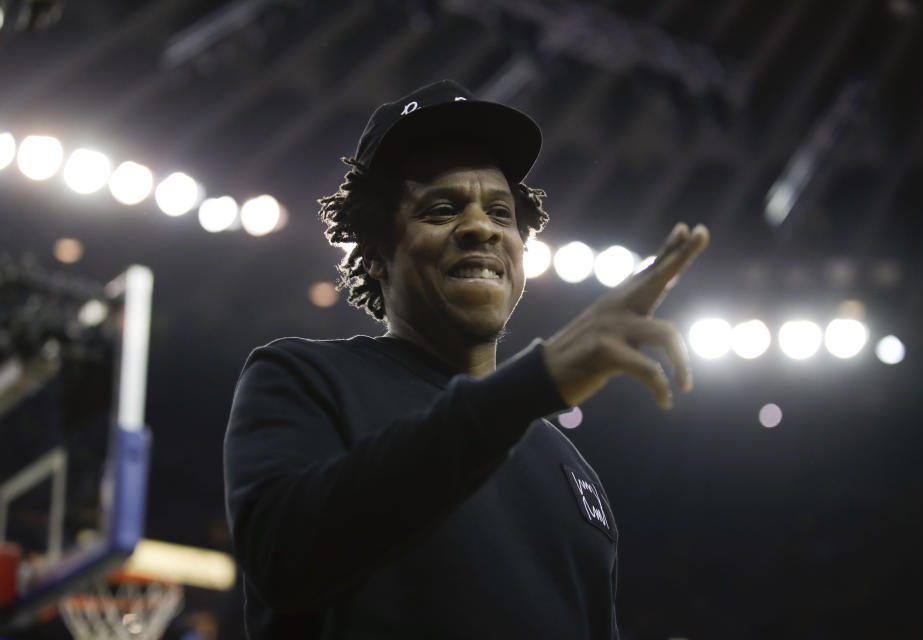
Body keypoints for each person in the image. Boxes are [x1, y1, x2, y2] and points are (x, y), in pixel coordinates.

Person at [223, 79, 709, 639]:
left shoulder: (572, 469)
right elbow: (282, 564)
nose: (481, 227)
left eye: (501, 213)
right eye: (442, 208)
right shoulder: (304, 378)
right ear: (378, 254)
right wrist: (532, 384)